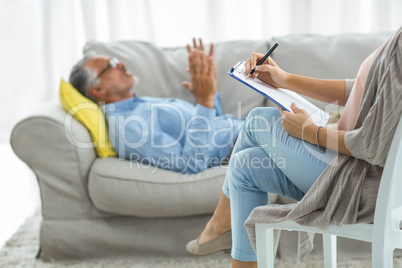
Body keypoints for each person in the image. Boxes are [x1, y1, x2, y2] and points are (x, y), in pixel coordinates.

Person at [187, 27, 402, 268]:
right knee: (244, 164)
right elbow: (364, 93)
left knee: (259, 119)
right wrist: (286, 80)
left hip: (361, 183)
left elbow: (371, 146)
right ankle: (226, 237)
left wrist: (312, 133)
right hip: (355, 169)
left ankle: (219, 225)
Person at [69, 39, 244, 174]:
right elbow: (191, 165)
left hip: (242, 132)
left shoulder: (139, 105)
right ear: (98, 89)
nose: (121, 64)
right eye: (111, 66)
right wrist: (204, 103)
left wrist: (208, 95)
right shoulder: (130, 127)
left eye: (116, 60)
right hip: (239, 146)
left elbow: (211, 130)